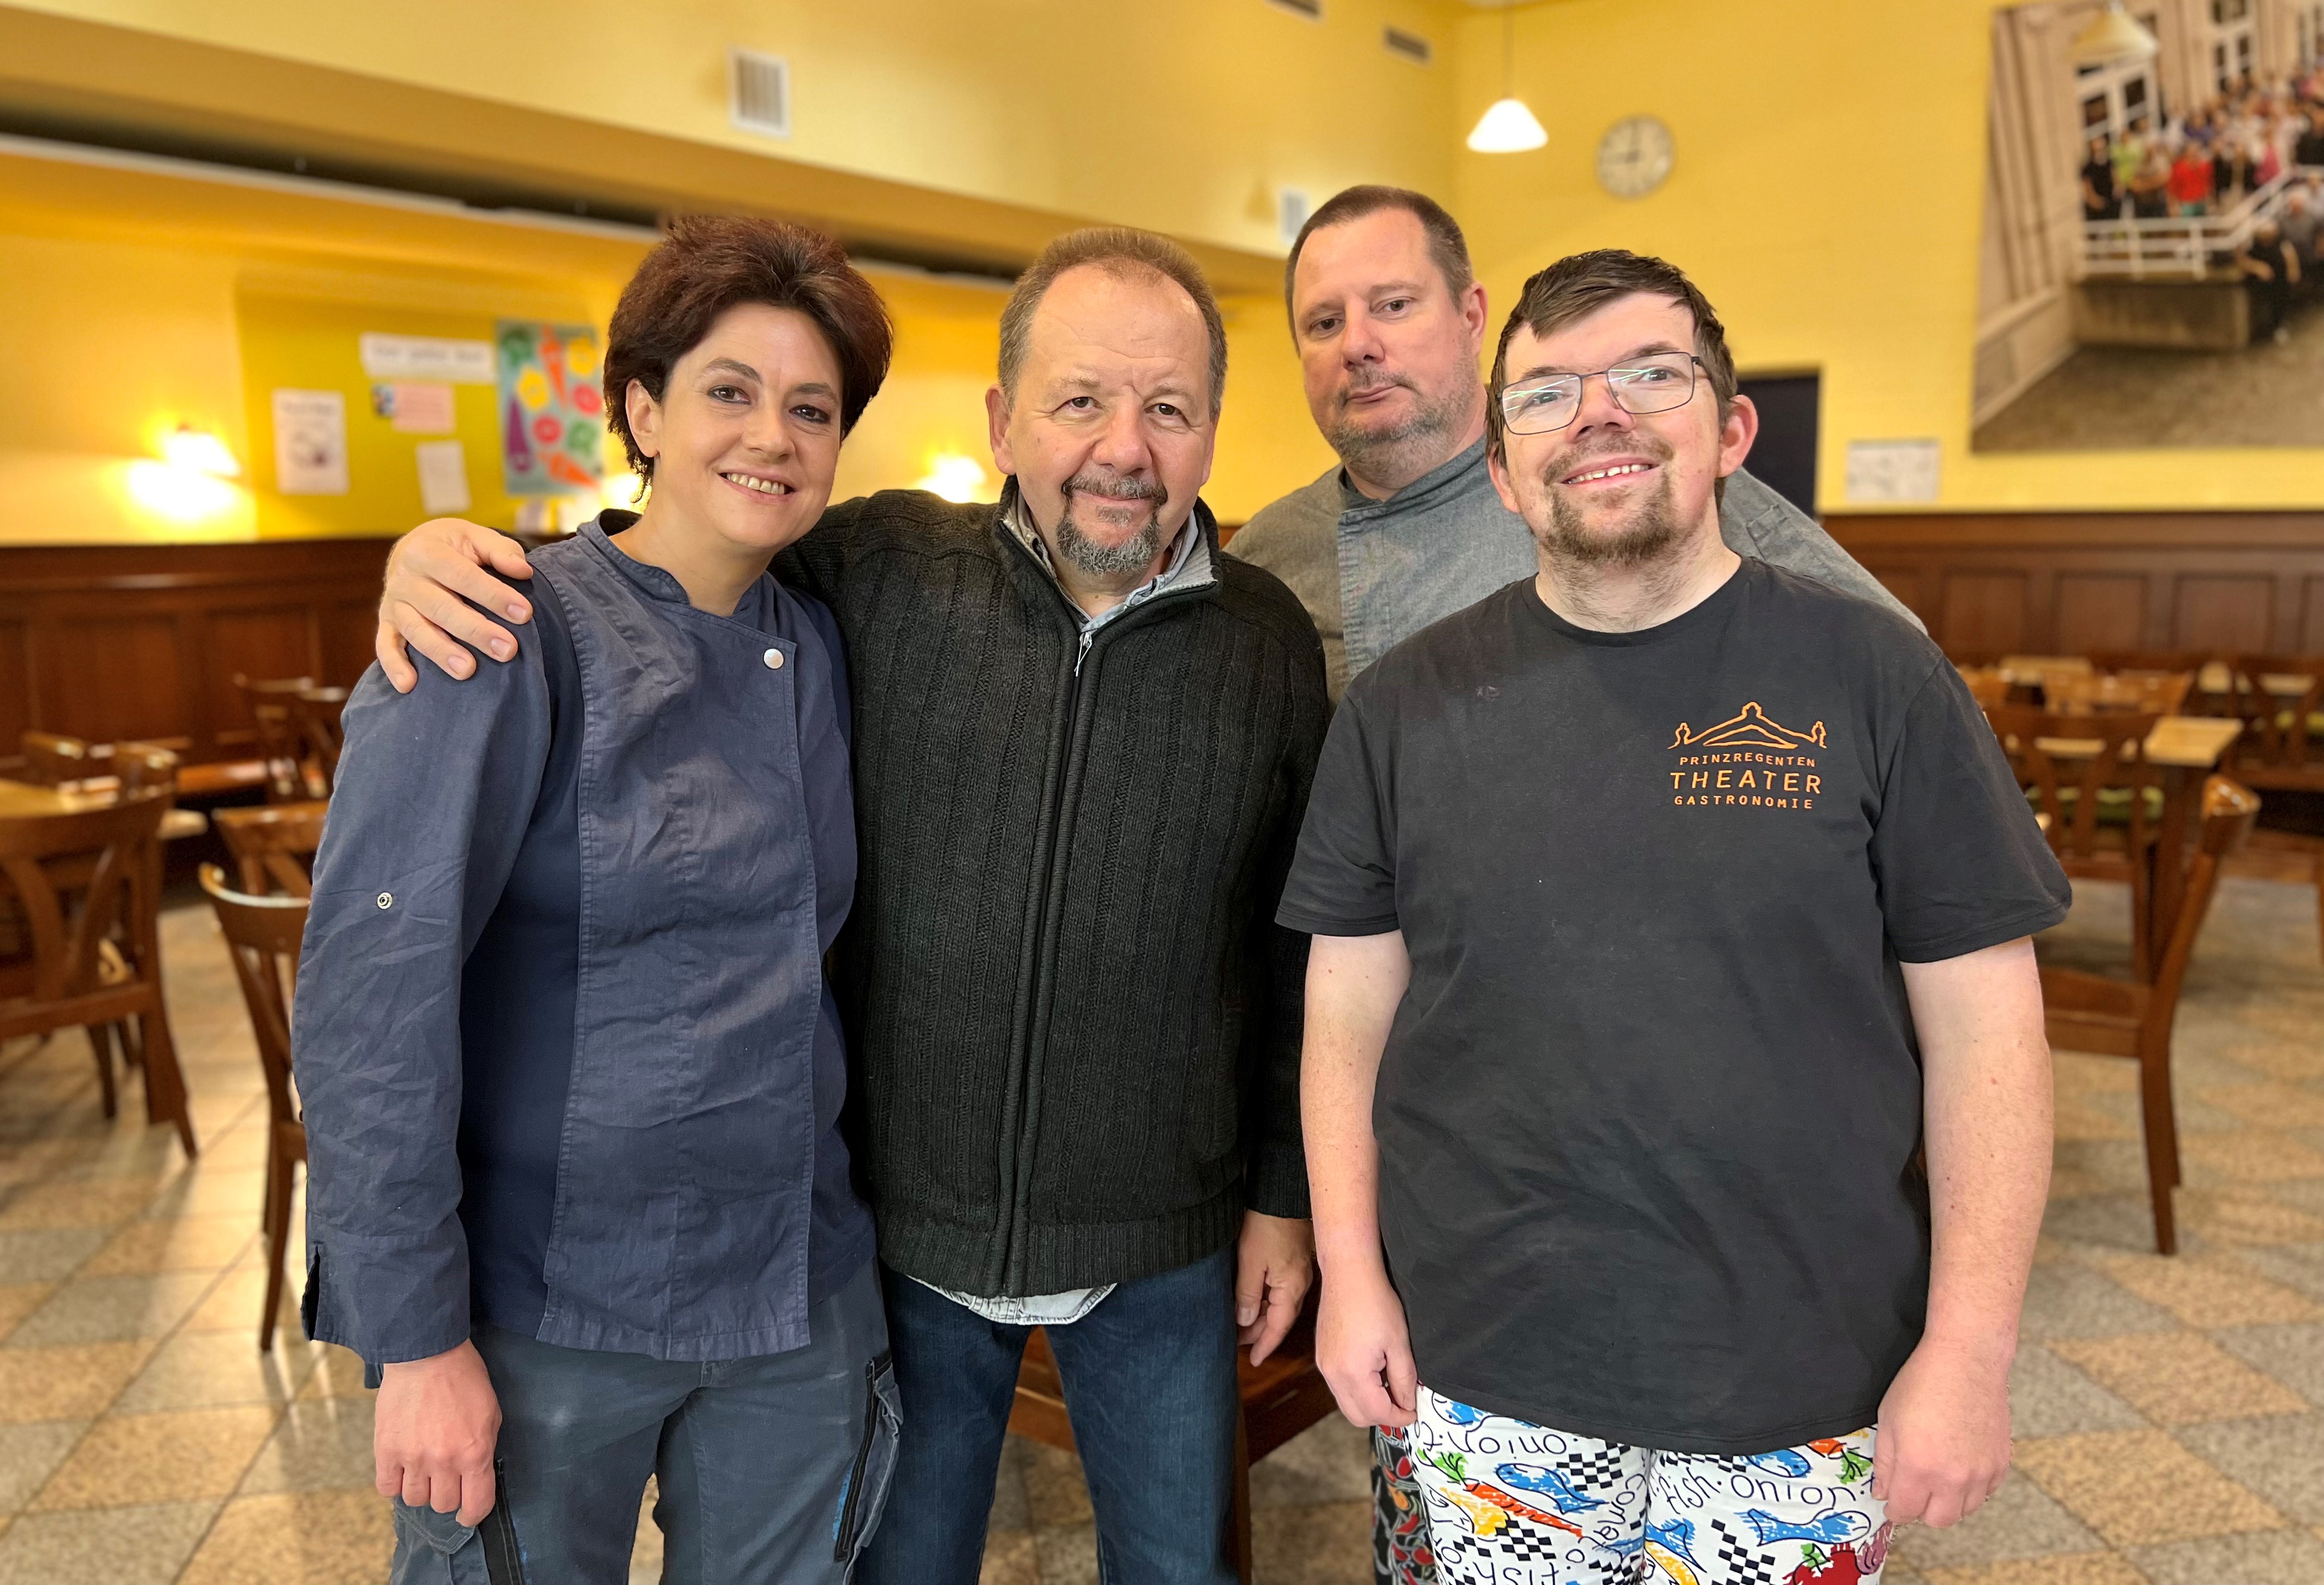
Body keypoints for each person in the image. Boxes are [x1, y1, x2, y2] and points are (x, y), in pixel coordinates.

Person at [366, 226, 1330, 1585]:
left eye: (1168, 409)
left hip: (1100, 1247)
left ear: (1212, 431)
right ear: (1001, 423)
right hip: (876, 1248)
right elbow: (669, 555)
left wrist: (1283, 1197)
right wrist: (442, 553)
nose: (1124, 446)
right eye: (1079, 400)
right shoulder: (878, 570)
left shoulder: (1262, 642)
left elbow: (1294, 948)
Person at [1286, 248, 2067, 1585]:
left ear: (1731, 431)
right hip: (1484, 1367)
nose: (1598, 414)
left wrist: (1969, 1347)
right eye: (1544, 393)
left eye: (1651, 375)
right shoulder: (1400, 707)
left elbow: (1989, 1035)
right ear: (1501, 465)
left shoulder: (1880, 677)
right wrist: (1351, 1272)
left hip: (1802, 1370)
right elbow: (1348, 1013)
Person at [292, 216, 900, 1583]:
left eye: (813, 409)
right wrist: (415, 1342)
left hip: (798, 1286)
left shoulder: (823, 637)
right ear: (642, 410)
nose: (773, 436)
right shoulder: (499, 627)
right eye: (729, 391)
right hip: (546, 1302)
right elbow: (370, 1008)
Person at [1230, 186, 1915, 707]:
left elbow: (1893, 670)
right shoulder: (1269, 552)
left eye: (1394, 305)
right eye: (1325, 323)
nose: (1357, 345)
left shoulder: (1617, 474)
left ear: (1471, 316)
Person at [2237, 216, 2301, 342]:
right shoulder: (2253, 245)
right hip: (2260, 281)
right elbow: (2242, 260)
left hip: (2280, 279)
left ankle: (2279, 325)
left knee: (2280, 296)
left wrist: (2293, 270)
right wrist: (2257, 267)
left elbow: (2289, 254)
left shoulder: (2281, 241)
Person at [2167, 139, 2213, 216]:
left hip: (2201, 201)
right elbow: (2172, 189)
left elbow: (2209, 184)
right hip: (2186, 203)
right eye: (2192, 152)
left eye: (2196, 152)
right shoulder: (2178, 168)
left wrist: (2210, 201)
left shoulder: (2205, 166)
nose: (2194, 155)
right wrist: (2173, 206)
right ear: (2186, 153)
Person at [2080, 134, 2120, 221]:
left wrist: (2117, 190)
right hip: (2096, 206)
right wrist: (2095, 201)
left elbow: (2116, 179)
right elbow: (2088, 187)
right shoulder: (2088, 167)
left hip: (2111, 201)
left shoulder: (2110, 162)